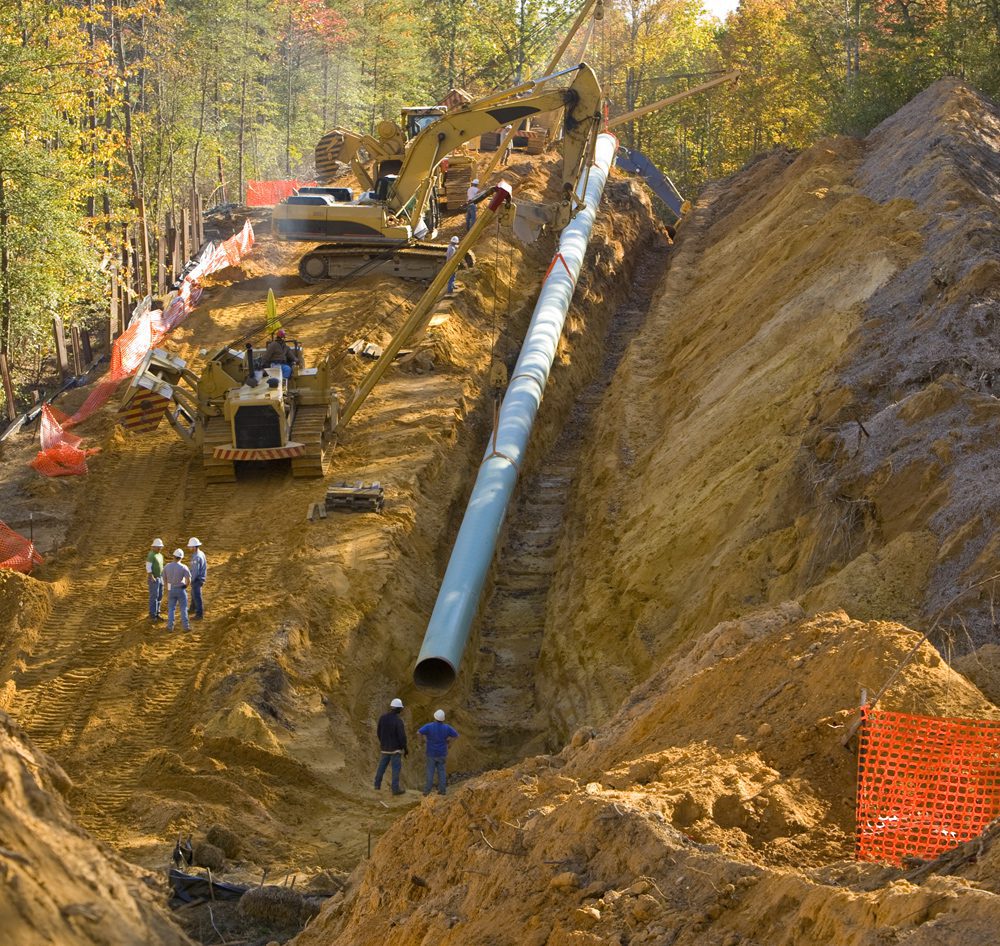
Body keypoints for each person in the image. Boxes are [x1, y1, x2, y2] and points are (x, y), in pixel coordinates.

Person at [418, 709, 459, 796]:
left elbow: (419, 732)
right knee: (442, 772)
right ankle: (442, 791)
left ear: (435, 717)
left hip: (431, 753)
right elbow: (456, 735)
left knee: (430, 772)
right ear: (443, 719)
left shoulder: (429, 726)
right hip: (442, 754)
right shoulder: (447, 727)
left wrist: (421, 742)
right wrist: (450, 744)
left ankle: (427, 792)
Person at [374, 698, 408, 796]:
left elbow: (378, 732)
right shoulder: (398, 721)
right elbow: (402, 736)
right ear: (398, 709)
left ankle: (377, 785)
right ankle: (395, 789)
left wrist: (383, 742)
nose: (401, 710)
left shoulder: (382, 718)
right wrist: (405, 748)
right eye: (401, 708)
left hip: (385, 748)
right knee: (396, 769)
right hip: (395, 749)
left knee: (381, 767)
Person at [162, 548, 192, 632]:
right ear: (181, 558)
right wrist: (185, 586)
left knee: (171, 608)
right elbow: (189, 580)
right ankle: (185, 627)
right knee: (183, 608)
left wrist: (168, 588)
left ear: (173, 556)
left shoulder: (167, 566)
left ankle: (170, 627)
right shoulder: (183, 567)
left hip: (171, 589)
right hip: (181, 589)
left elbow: (164, 579)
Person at [187, 537, 207, 620]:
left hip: (197, 579)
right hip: (200, 578)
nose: (189, 548)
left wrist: (190, 580)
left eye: (190, 547)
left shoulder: (196, 557)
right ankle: (192, 608)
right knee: (193, 593)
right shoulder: (200, 553)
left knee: (197, 596)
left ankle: (199, 614)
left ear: (194, 547)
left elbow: (195, 571)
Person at [146, 538, 165, 621]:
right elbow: (148, 567)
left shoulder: (160, 555)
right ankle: (152, 614)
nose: (160, 548)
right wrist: (151, 576)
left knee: (160, 596)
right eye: (158, 547)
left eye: (160, 547)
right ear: (153, 547)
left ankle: (157, 613)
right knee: (154, 596)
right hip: (154, 578)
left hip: (160, 578)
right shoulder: (151, 555)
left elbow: (161, 566)